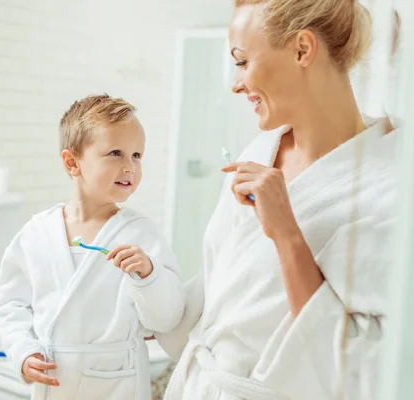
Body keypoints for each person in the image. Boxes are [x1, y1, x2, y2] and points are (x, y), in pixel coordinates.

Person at [157, 1, 399, 399]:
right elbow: (229, 288)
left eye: (242, 61)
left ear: (302, 49)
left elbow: (368, 364)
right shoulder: (259, 150)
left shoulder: (390, 181)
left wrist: (287, 233)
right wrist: (152, 296)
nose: (236, 83)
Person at [0, 94, 185, 400]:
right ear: (73, 163)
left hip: (117, 383)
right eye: (115, 153)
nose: (130, 167)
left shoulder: (141, 234)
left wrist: (149, 274)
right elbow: (10, 306)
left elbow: (167, 318)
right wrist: (24, 351)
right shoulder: (37, 233)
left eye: (137, 155)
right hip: (55, 381)